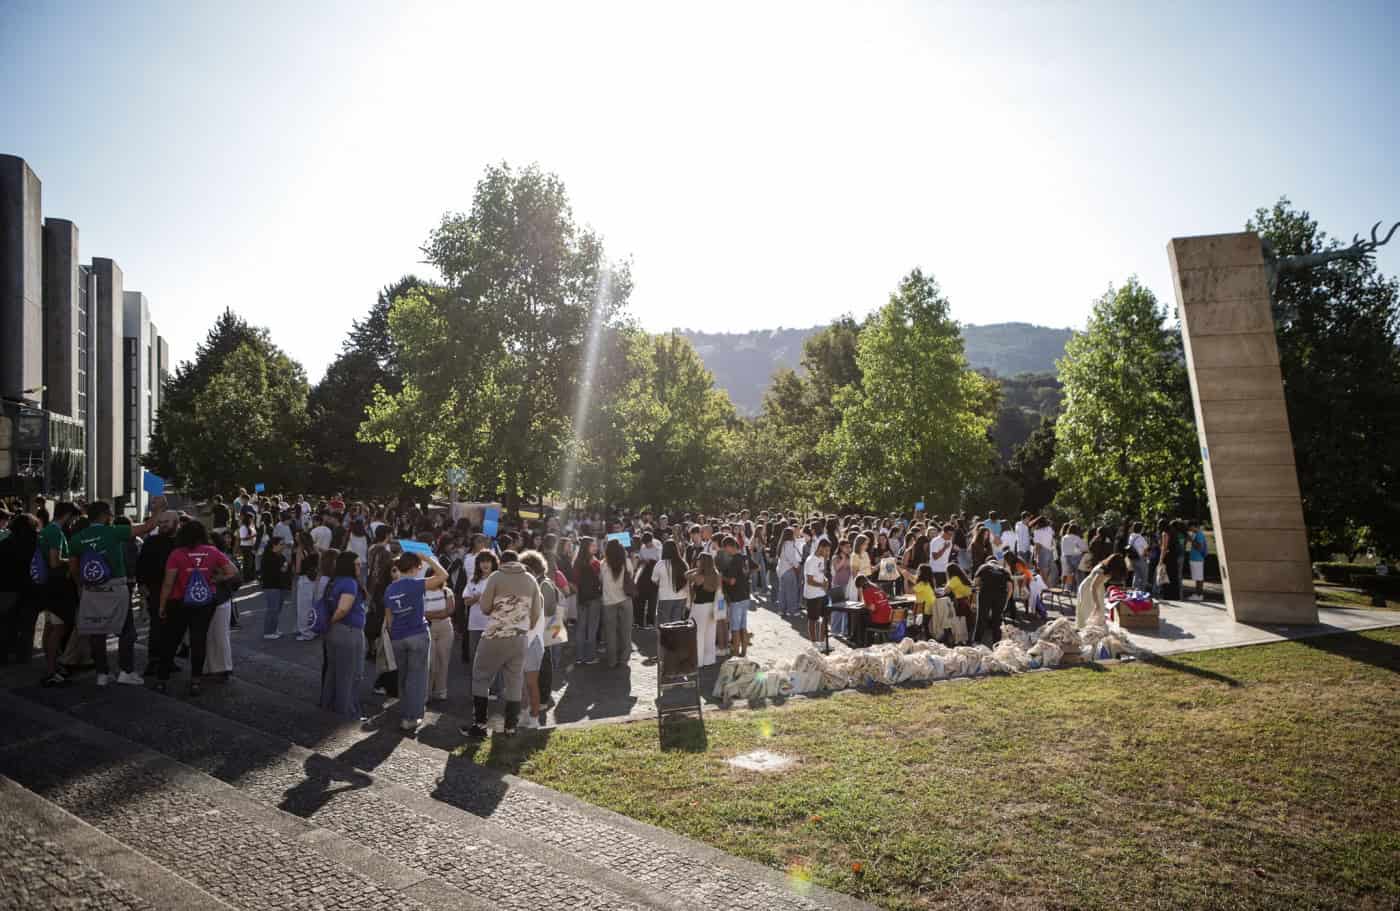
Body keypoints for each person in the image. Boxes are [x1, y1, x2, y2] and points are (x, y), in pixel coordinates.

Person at [70, 501, 161, 687]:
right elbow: (150, 526)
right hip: (115, 585)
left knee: (97, 631)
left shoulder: (77, 538)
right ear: (104, 515)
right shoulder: (114, 531)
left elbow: (73, 568)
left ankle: (102, 674)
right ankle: (125, 671)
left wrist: (82, 586)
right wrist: (158, 509)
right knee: (126, 630)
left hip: (91, 588)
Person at [460, 549, 542, 739]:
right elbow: (536, 612)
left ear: (502, 562)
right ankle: (510, 728)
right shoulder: (530, 579)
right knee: (514, 682)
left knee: (481, 677)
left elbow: (485, 607)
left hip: (495, 636)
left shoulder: (496, 576)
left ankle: (480, 726)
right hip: (520, 638)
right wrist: (522, 626)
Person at [156, 518, 237, 694]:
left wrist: (162, 605)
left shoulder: (176, 554)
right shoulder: (212, 551)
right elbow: (232, 571)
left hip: (179, 602)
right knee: (198, 640)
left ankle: (162, 679)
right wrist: (217, 579)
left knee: (171, 640)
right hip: (204, 602)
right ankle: (195, 681)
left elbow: (168, 583)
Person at [382, 550, 448, 735]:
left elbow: (389, 619)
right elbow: (443, 576)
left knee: (403, 676)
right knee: (417, 678)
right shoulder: (415, 584)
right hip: (417, 634)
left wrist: (394, 634)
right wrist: (428, 558)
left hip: (398, 637)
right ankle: (411, 718)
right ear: (414, 568)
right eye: (419, 567)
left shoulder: (390, 588)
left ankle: (405, 712)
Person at [320, 550, 367, 719]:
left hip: (335, 633)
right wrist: (331, 621)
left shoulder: (334, 581)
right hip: (347, 632)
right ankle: (347, 711)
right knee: (351, 674)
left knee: (334, 672)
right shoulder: (349, 583)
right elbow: (343, 608)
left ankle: (328, 706)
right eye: (356, 564)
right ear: (348, 565)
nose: (359, 567)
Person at [518, 549, 556, 730]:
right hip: (541, 630)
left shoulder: (543, 584)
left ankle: (541, 703)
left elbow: (548, 611)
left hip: (544, 631)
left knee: (544, 667)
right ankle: (530, 710)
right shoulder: (534, 584)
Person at [421, 550, 455, 703]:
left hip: (445, 628)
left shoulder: (447, 591)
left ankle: (441, 691)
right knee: (430, 662)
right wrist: (437, 614)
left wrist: (432, 614)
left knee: (443, 660)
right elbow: (423, 612)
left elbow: (449, 611)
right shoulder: (422, 592)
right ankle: (426, 693)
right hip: (428, 628)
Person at [598, 538, 633, 669]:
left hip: (608, 602)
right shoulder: (626, 562)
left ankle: (612, 660)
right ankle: (624, 659)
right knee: (626, 631)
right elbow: (631, 574)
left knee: (610, 632)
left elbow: (600, 580)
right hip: (625, 599)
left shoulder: (603, 564)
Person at [719, 536, 751, 658]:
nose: (725, 551)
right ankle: (744, 652)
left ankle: (736, 653)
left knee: (735, 628)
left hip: (736, 597)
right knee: (743, 626)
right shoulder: (744, 558)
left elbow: (732, 581)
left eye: (725, 548)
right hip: (745, 595)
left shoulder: (734, 560)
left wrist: (722, 577)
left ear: (729, 546)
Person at [1077, 553, 1129, 629]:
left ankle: (1091, 634)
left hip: (1095, 589)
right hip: (1088, 591)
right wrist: (1096, 604)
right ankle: (1089, 635)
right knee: (1091, 615)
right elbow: (1093, 587)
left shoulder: (1104, 567)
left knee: (1096, 616)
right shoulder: (1102, 571)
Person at [686, 552, 720, 667]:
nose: (697, 561)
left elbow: (686, 574)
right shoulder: (716, 574)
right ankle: (709, 659)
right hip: (712, 607)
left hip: (700, 607)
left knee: (697, 635)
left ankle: (698, 661)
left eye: (699, 560)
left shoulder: (699, 576)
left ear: (703, 562)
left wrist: (697, 568)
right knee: (710, 634)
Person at [573, 537, 602, 666]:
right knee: (592, 628)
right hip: (594, 598)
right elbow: (600, 580)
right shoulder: (595, 562)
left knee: (580, 628)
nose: (596, 547)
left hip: (581, 598)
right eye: (593, 545)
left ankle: (579, 657)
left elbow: (575, 581)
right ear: (587, 547)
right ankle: (590, 657)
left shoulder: (577, 561)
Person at [972, 554, 1012, 647]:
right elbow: (1010, 588)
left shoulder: (984, 567)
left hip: (985, 593)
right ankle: (996, 644)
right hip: (1001, 595)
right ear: (996, 562)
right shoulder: (1004, 570)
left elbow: (975, 583)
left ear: (987, 561)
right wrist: (1006, 601)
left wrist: (974, 600)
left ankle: (976, 641)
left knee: (981, 617)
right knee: (997, 620)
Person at [259, 536, 290, 639]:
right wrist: (283, 568)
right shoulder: (268, 556)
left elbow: (284, 568)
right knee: (272, 609)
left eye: (283, 544)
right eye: (281, 544)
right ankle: (268, 632)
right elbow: (277, 570)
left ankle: (273, 629)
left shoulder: (280, 556)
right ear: (274, 545)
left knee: (277, 609)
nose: (283, 546)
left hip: (280, 585)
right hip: (271, 586)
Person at [652, 540, 690, 625]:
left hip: (665, 597)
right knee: (677, 623)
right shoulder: (683, 563)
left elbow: (654, 580)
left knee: (664, 624)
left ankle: (665, 639)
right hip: (681, 596)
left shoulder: (660, 564)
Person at [292, 531, 320, 640]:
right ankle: (313, 628)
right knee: (313, 605)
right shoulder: (315, 549)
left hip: (304, 579)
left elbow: (298, 569)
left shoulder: (300, 550)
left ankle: (305, 632)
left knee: (303, 607)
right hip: (314, 579)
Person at [803, 538, 831, 647]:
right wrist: (821, 585)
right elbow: (809, 580)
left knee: (825, 618)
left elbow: (821, 574)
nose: (828, 553)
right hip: (812, 595)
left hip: (822, 594)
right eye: (827, 550)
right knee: (813, 619)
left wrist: (825, 580)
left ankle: (822, 642)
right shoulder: (811, 560)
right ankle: (814, 643)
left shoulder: (821, 559)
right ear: (821, 548)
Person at [775, 527, 802, 619]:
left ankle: (781, 610)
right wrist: (797, 566)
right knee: (792, 591)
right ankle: (793, 611)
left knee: (782, 591)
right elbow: (791, 558)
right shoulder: (789, 544)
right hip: (788, 570)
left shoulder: (782, 544)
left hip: (781, 570)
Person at [1187, 521, 1208, 601]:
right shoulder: (1197, 534)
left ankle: (1199, 595)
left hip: (1197, 559)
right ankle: (1198, 594)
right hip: (1196, 559)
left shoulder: (1199, 534)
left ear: (1194, 526)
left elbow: (1199, 547)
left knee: (1199, 578)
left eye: (1190, 527)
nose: (1189, 529)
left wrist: (1191, 540)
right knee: (1197, 578)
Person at [236, 513, 257, 580]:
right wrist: (253, 536)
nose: (252, 519)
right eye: (251, 518)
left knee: (251, 562)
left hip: (251, 546)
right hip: (246, 547)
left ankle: (251, 576)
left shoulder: (251, 526)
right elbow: (243, 538)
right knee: (247, 562)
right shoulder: (243, 527)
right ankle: (246, 577)